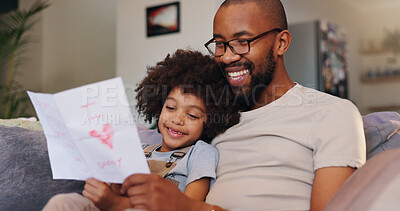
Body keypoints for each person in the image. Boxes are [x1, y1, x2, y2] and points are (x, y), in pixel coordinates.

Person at [120, 0, 366, 211]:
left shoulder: (332, 113)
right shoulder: (210, 116)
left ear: (281, 43)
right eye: (220, 43)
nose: (227, 56)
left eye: (243, 41)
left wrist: (190, 208)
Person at [42, 49, 240, 211]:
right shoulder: (140, 148)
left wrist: (118, 204)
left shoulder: (201, 152)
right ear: (159, 107)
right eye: (171, 108)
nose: (177, 119)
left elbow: (189, 205)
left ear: (210, 121)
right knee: (64, 203)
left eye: (193, 116)